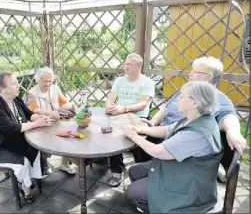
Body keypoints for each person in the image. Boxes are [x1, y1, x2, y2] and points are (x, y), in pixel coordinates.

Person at [124, 81, 223, 213]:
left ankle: (161, 207)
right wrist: (139, 129)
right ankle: (151, 201)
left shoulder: (196, 133)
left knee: (133, 191)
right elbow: (166, 130)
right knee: (135, 171)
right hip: (182, 169)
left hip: (189, 187)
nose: (178, 100)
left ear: (195, 103)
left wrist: (132, 135)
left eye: (182, 96)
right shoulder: (196, 118)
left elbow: (157, 151)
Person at [139, 56, 246, 164]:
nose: (190, 74)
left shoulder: (214, 97)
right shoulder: (187, 91)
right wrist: (153, 122)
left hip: (179, 144)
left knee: (139, 148)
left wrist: (233, 132)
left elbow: (228, 116)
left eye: (195, 72)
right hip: (161, 132)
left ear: (208, 77)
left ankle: (148, 173)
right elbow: (165, 108)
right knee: (135, 142)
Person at [0, 72, 52, 203]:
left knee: (34, 148)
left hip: (13, 141)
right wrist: (36, 124)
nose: (19, 85)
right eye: (14, 83)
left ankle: (30, 179)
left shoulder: (15, 98)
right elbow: (11, 128)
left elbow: (29, 114)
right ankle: (26, 191)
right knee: (23, 160)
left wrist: (40, 118)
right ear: (2, 88)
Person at [105, 53, 155, 187]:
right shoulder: (120, 80)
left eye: (129, 64)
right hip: (119, 117)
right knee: (113, 138)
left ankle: (140, 172)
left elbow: (143, 104)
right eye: (125, 63)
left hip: (138, 118)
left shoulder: (147, 82)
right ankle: (116, 171)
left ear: (138, 66)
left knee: (138, 146)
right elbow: (111, 97)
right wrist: (109, 105)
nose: (125, 66)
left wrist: (124, 108)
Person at [25, 67, 76, 175]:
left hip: (57, 121)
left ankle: (65, 164)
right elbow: (34, 110)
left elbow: (64, 102)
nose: (48, 84)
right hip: (41, 124)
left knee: (70, 134)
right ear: (38, 80)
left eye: (50, 81)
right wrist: (49, 113)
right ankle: (44, 165)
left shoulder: (55, 89)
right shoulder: (31, 93)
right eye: (45, 81)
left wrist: (72, 106)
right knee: (44, 143)